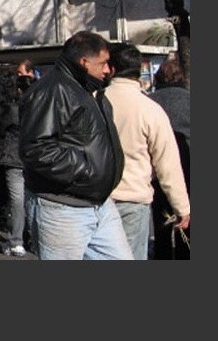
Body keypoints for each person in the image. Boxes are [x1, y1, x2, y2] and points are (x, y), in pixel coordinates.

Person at [19, 31, 131, 260]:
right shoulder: (54, 90)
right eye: (103, 63)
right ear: (84, 62)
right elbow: (36, 148)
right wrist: (85, 170)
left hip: (99, 204)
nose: (108, 70)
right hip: (62, 209)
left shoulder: (88, 90)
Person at [104, 44, 190, 260]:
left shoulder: (94, 100)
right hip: (134, 195)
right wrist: (182, 206)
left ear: (111, 68)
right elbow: (167, 163)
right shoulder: (149, 109)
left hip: (96, 197)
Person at [0, 67, 35, 256]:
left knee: (17, 200)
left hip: (13, 157)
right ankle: (32, 237)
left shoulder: (12, 109)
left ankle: (16, 240)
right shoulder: (38, 108)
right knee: (30, 199)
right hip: (32, 158)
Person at [148, 59, 191, 259]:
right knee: (187, 217)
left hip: (157, 168)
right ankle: (185, 253)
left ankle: (163, 254)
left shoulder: (150, 102)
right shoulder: (190, 100)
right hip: (188, 166)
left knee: (161, 217)